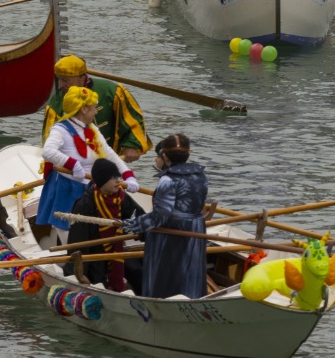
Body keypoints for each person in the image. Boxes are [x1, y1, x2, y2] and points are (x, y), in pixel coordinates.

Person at [37, 85, 136, 244]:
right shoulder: (60, 129)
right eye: (94, 108)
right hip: (68, 187)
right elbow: (47, 151)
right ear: (84, 109)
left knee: (94, 231)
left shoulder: (92, 129)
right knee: (70, 234)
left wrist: (128, 175)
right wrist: (73, 164)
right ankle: (72, 259)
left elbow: (109, 154)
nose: (97, 111)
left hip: (91, 187)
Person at [121, 132, 209, 299]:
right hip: (196, 229)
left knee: (167, 276)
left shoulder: (168, 180)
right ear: (188, 154)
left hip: (172, 233)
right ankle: (193, 297)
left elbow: (160, 215)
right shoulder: (200, 176)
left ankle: (162, 301)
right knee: (190, 271)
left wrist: (133, 224)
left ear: (165, 156)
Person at [44, 54, 150, 163]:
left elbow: (132, 119)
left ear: (82, 78)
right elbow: (49, 146)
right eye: (59, 80)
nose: (60, 86)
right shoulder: (55, 105)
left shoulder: (112, 92)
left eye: (65, 80)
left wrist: (132, 145)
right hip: (74, 169)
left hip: (110, 163)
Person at [64, 158, 144, 291]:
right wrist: (79, 274)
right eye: (113, 178)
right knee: (99, 282)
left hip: (117, 250)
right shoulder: (84, 205)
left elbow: (141, 217)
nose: (119, 181)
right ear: (101, 180)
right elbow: (77, 243)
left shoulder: (121, 198)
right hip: (94, 256)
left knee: (138, 271)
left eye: (119, 176)